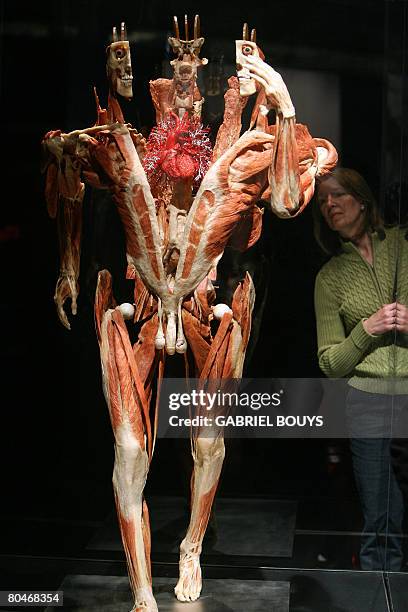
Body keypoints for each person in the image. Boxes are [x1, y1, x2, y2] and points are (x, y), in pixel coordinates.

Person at [313, 167, 408, 571]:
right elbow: (329, 363)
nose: (329, 205)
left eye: (337, 196)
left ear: (362, 200)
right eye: (322, 201)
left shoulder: (403, 246)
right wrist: (366, 331)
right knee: (379, 519)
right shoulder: (329, 277)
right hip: (367, 402)